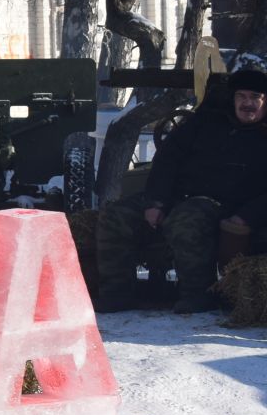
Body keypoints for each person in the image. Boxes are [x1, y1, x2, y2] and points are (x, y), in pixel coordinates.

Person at [96, 68, 267, 315]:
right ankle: (117, 293)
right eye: (241, 96)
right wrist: (156, 202)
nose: (247, 103)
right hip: (175, 195)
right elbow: (167, 160)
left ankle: (198, 295)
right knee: (115, 215)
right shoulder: (204, 123)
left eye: (255, 97)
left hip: (228, 204)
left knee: (187, 219)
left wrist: (247, 215)